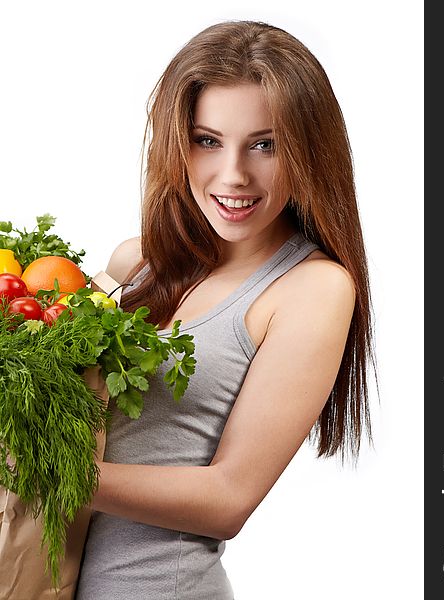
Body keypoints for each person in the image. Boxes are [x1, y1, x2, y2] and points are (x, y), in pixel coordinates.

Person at [76, 19, 374, 600]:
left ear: (309, 150)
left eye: (265, 144)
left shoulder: (310, 289)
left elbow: (228, 500)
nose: (233, 174)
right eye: (207, 140)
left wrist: (52, 474)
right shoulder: (138, 262)